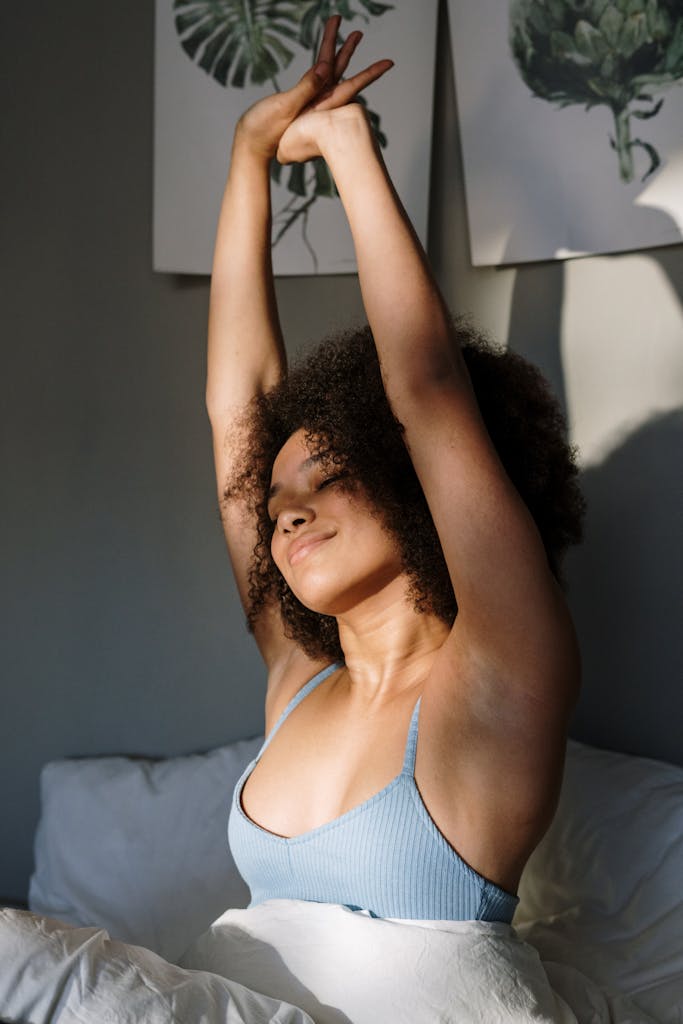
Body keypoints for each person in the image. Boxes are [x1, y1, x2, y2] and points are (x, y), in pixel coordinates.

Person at [206, 16, 584, 924]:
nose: (285, 516)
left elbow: (425, 383)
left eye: (326, 476)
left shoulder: (500, 670)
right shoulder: (297, 676)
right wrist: (246, 155)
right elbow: (237, 411)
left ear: (411, 475)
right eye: (277, 499)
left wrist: (344, 142)